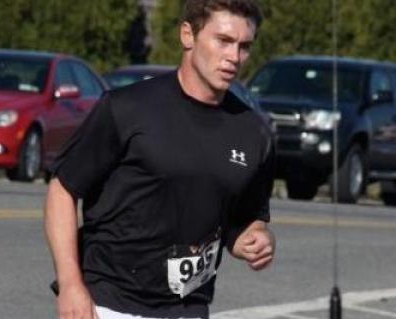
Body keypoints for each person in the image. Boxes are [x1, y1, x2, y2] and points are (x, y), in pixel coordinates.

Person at [44, 0, 275, 318]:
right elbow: (62, 190)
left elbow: (245, 220)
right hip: (109, 303)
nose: (234, 57)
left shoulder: (253, 133)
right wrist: (71, 285)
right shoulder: (126, 108)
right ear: (187, 35)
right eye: (223, 41)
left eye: (244, 46)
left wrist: (254, 239)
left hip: (188, 307)